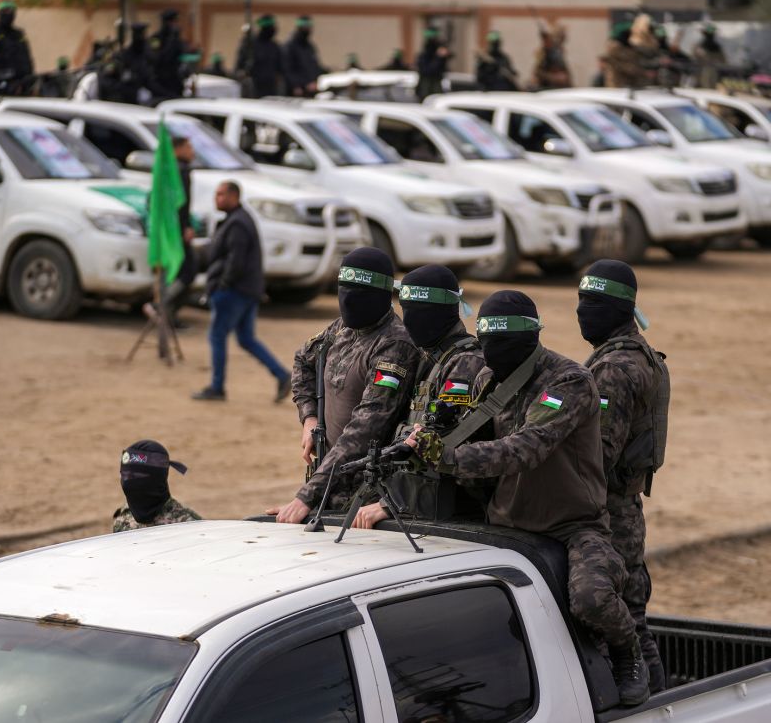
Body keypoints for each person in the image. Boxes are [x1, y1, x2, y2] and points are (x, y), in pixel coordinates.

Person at [407, 290, 651, 706]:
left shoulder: (569, 381)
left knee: (591, 600)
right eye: (486, 343)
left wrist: (446, 456)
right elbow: (470, 432)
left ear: (530, 339)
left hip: (573, 526)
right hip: (506, 524)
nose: (491, 354)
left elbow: (526, 449)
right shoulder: (488, 378)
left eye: (501, 345)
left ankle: (628, 652)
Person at [266, 248, 420, 523]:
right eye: (343, 290)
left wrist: (306, 497)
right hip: (329, 482)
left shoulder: (394, 345)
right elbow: (303, 359)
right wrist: (310, 418)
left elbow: (364, 431)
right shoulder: (342, 328)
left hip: (367, 497)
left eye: (358, 294)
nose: (348, 301)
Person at [577, 260, 670, 694]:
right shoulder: (638, 353)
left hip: (609, 510)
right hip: (625, 506)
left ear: (620, 308)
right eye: (580, 300)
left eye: (593, 302)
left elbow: (597, 453)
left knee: (620, 621)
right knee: (635, 616)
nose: (582, 311)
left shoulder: (614, 369)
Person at [351, 264, 485, 530]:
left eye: (420, 312)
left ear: (444, 312)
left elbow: (445, 443)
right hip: (417, 503)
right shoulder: (431, 358)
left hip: (449, 512)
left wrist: (389, 503)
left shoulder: (465, 363)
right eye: (405, 310)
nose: (410, 320)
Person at [193, 181, 291, 402]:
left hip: (234, 291)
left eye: (221, 195)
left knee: (217, 336)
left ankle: (217, 388)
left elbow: (235, 260)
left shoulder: (238, 223)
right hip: (247, 290)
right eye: (216, 194)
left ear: (234, 196)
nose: (217, 199)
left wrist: (222, 284)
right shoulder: (237, 219)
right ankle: (282, 374)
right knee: (246, 338)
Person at [113, 440, 201, 532]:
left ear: (156, 478)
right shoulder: (123, 519)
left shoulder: (190, 526)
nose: (128, 482)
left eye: (137, 477)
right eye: (125, 475)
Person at [163, 136, 197, 325]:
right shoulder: (181, 171)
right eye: (189, 147)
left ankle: (168, 313)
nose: (192, 152)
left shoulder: (167, 169)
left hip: (168, 230)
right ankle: (161, 305)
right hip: (177, 231)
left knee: (177, 271)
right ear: (178, 149)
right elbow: (180, 205)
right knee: (187, 271)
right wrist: (185, 227)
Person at [0, 0, 34, 97]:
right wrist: (4, 80)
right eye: (5, 11)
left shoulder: (18, 34)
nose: (8, 14)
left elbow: (26, 57)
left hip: (23, 86)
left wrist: (28, 79)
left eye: (11, 11)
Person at [283, 15, 323, 97]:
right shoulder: (290, 46)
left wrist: (314, 81)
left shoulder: (309, 46)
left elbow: (315, 66)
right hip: (297, 91)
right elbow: (287, 69)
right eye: (306, 27)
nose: (309, 30)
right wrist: (296, 85)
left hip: (310, 90)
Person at [244, 14, 282, 98]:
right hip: (254, 88)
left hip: (271, 88)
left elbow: (280, 67)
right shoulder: (250, 44)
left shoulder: (275, 46)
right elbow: (242, 64)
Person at [150, 9, 187, 98]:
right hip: (161, 82)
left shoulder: (176, 39)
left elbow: (181, 54)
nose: (175, 25)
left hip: (175, 80)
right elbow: (160, 58)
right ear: (166, 23)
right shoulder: (156, 39)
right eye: (173, 22)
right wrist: (172, 40)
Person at [601, 21, 645, 89]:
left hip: (631, 83)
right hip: (617, 83)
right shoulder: (614, 48)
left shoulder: (630, 47)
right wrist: (631, 68)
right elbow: (615, 63)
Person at [531, 21, 572, 90]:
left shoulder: (558, 51)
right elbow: (537, 72)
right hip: (547, 88)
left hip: (560, 88)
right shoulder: (544, 54)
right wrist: (552, 77)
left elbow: (565, 72)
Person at [416, 28, 451, 101]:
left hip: (433, 85)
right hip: (429, 87)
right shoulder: (426, 54)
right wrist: (439, 57)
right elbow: (429, 70)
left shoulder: (428, 52)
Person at [693, 23, 726, 89]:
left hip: (712, 72)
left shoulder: (717, 47)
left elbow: (723, 61)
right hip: (702, 72)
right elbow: (695, 59)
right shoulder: (699, 46)